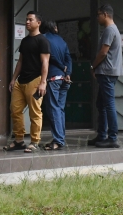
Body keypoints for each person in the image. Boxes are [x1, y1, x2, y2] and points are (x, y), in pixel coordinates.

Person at [5, 11, 49, 153]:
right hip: (21, 80)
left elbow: (45, 63)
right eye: (26, 20)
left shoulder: (42, 40)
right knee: (15, 110)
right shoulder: (24, 41)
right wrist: (13, 79)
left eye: (30, 20)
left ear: (38, 23)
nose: (27, 22)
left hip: (35, 80)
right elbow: (20, 62)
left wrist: (43, 82)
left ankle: (35, 142)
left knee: (35, 112)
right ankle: (19, 140)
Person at [88, 4, 122, 148]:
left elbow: (103, 52)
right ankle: (102, 135)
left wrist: (93, 66)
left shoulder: (109, 30)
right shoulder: (113, 29)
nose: (97, 17)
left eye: (98, 14)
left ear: (106, 14)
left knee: (108, 105)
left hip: (107, 72)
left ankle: (112, 137)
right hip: (109, 72)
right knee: (101, 104)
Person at [41, 20, 70, 151]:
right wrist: (68, 72)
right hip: (64, 79)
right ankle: (60, 138)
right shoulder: (62, 40)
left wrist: (61, 67)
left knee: (53, 109)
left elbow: (49, 56)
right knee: (60, 109)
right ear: (54, 28)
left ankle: (58, 140)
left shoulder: (44, 38)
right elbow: (68, 58)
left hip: (53, 78)